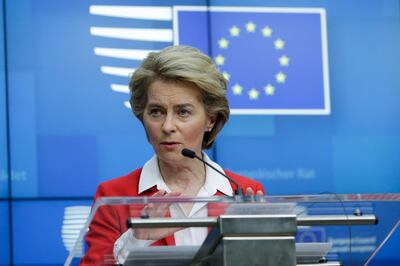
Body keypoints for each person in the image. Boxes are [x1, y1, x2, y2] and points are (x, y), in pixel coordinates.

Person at [80, 45, 265, 265]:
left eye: (183, 112)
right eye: (156, 111)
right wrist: (137, 240)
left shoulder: (244, 193)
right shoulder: (113, 196)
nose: (167, 126)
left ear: (211, 120)